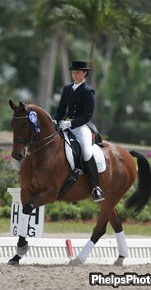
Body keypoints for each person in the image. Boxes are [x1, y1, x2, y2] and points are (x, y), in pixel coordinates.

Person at [54, 60, 105, 202]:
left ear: (85, 73)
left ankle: (96, 187)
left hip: (81, 127)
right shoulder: (67, 89)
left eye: (78, 72)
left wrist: (71, 123)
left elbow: (88, 115)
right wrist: (55, 121)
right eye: (73, 72)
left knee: (87, 152)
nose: (75, 74)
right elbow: (60, 110)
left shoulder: (89, 91)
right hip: (64, 124)